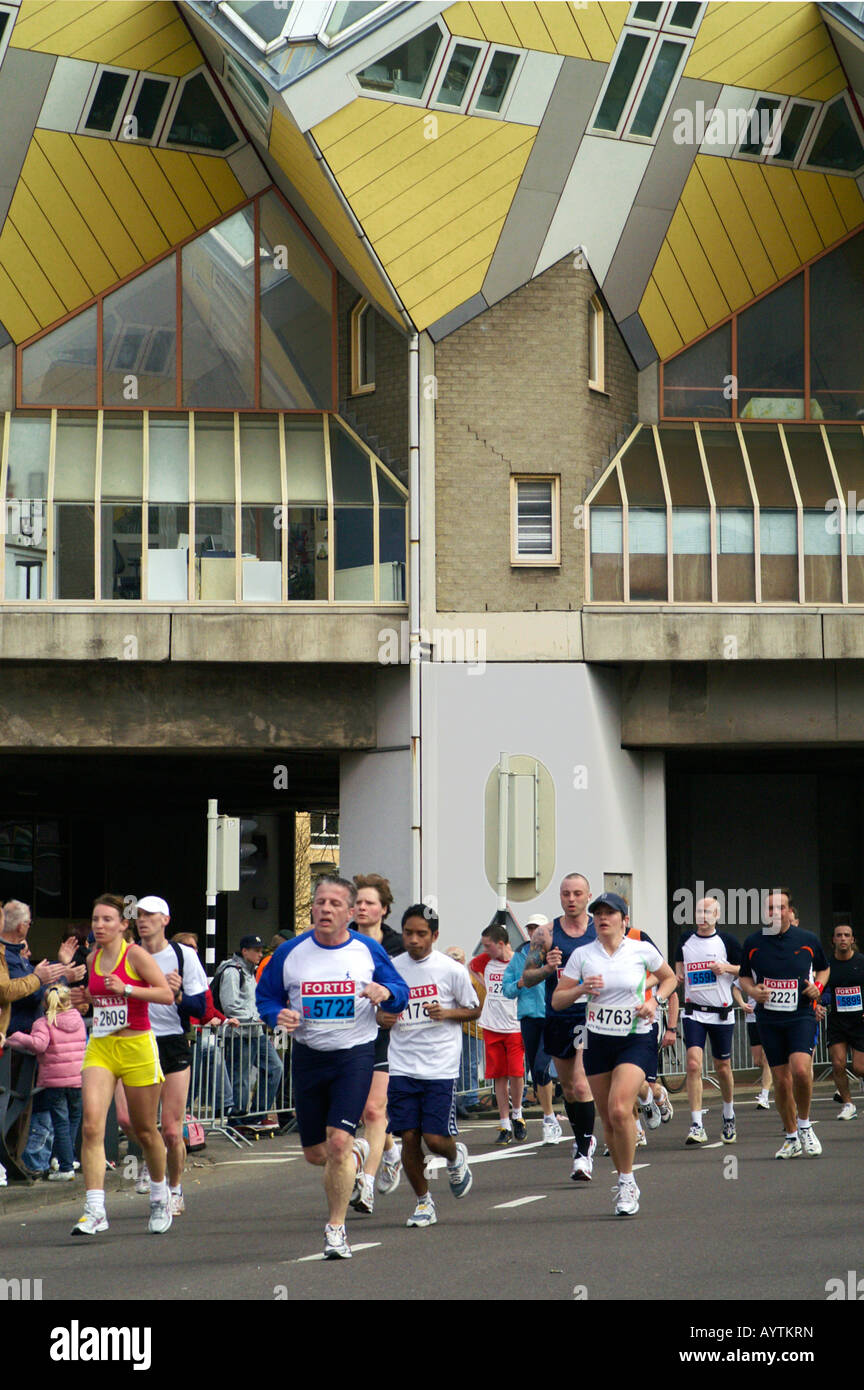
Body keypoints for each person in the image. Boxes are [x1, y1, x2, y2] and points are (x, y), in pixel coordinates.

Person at [256, 875, 409, 1259]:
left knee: (337, 1143)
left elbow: (400, 991)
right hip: (308, 1057)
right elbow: (266, 997)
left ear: (350, 912)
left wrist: (384, 993)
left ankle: (336, 1229)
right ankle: (359, 1150)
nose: (325, 909)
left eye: (335, 904)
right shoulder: (290, 953)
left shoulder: (367, 950)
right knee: (315, 1153)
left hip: (354, 1055)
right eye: (320, 902)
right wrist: (278, 1015)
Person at [553, 891, 678, 1216]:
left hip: (635, 1037)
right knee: (608, 1117)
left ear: (624, 920)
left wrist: (654, 1001)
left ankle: (626, 1181)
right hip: (598, 1040)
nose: (603, 918)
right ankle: (625, 1175)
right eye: (598, 914)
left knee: (620, 1109)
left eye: (610, 913)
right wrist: (581, 989)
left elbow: (670, 979)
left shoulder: (641, 950)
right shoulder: (583, 955)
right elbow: (557, 1000)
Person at [69, 893, 175, 1235]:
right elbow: (101, 1003)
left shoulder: (136, 955)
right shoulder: (92, 956)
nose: (99, 926)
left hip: (137, 1046)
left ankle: (160, 1197)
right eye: (96, 920)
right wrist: (85, 1000)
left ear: (122, 925)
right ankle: (95, 1209)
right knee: (91, 1126)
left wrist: (128, 988)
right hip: (101, 1045)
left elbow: (165, 994)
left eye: (107, 920)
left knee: (145, 1130)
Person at [377, 906, 479, 1227]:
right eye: (408, 933)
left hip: (440, 1066)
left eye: (422, 934)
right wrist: (385, 1018)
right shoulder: (391, 969)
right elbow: (377, 1015)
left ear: (435, 936)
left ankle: (454, 1155)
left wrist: (446, 1013)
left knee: (434, 1140)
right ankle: (423, 1202)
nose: (414, 940)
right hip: (402, 1065)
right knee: (408, 1136)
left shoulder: (451, 970)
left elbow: (473, 1010)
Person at [738, 887, 829, 1158]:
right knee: (780, 1079)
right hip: (769, 1017)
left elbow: (824, 969)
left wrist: (818, 986)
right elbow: (744, 977)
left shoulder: (808, 939)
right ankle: (790, 1137)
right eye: (769, 909)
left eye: (780, 908)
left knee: (801, 1070)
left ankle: (804, 1126)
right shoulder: (754, 942)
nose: (775, 913)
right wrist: (753, 991)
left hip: (800, 1014)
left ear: (790, 911)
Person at [132, 897, 208, 1215]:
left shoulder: (182, 955)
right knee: (132, 1122)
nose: (143, 920)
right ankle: (152, 1163)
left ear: (165, 919)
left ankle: (175, 1189)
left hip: (173, 1042)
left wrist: (177, 995)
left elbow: (200, 1009)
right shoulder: (128, 953)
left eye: (150, 915)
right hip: (137, 1041)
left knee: (172, 1129)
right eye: (139, 915)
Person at [519, 873, 597, 1179]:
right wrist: (547, 968)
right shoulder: (546, 934)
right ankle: (582, 1141)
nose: (572, 899)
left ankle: (583, 1151)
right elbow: (527, 977)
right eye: (566, 894)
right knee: (569, 1089)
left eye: (578, 893)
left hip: (589, 1017)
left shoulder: (599, 930)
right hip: (557, 1015)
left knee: (580, 1083)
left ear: (588, 896)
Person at [348, 873, 404, 1213]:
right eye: (358, 903)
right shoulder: (344, 941)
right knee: (365, 1112)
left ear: (383, 909)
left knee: (373, 1110)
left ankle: (365, 1185)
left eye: (369, 903)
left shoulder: (398, 945)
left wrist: (391, 1008)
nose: (362, 908)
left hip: (392, 1034)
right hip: (354, 1032)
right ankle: (390, 1150)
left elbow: (409, 984)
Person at [675, 896, 742, 1145]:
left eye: (707, 912)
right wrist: (679, 971)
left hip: (721, 1013)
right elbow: (679, 961)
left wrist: (726, 968)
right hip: (693, 1011)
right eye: (698, 911)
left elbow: (746, 967)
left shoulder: (727, 941)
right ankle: (696, 1124)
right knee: (693, 1064)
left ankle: (728, 1114)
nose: (702, 916)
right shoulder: (685, 939)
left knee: (722, 1067)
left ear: (717, 916)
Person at [5, 983, 86, 1180]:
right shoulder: (79, 1020)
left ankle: (65, 1166)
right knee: (73, 1120)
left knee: (60, 1122)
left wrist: (14, 1037)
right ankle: (65, 1158)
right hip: (77, 1079)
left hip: (54, 1081)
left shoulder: (43, 1022)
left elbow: (38, 1045)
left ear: (44, 1002)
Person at [502, 917, 562, 1144]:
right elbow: (507, 989)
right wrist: (521, 982)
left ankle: (553, 1117)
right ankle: (550, 1118)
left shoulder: (558, 951)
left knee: (541, 1067)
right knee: (536, 1073)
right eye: (530, 928)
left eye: (538, 928)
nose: (534, 932)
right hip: (529, 1017)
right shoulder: (520, 955)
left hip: (553, 1015)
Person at [216, 935, 284, 1128]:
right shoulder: (232, 971)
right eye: (256, 950)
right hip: (240, 1032)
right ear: (245, 951)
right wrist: (256, 1019)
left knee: (275, 1068)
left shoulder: (250, 972)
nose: (260, 954)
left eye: (261, 950)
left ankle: (257, 1113)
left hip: (255, 1031)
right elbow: (230, 1005)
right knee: (241, 1076)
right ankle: (237, 1117)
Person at [470, 924, 525, 1145]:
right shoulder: (485, 961)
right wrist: (486, 986)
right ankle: (504, 1123)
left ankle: (518, 1114)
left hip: (514, 1026)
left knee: (516, 1073)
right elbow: (471, 966)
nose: (485, 949)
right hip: (491, 1026)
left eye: (488, 945)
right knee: (498, 1076)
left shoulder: (518, 962)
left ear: (501, 944)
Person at [824, 923, 864, 1120]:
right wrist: (817, 1004)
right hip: (838, 1022)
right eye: (838, 935)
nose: (842, 938)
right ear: (833, 940)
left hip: (860, 1022)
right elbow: (821, 988)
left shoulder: (861, 962)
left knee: (859, 1067)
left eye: (846, 935)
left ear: (852, 940)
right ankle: (848, 1104)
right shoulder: (828, 965)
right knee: (838, 1064)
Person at [445, 945, 481, 1113]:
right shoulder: (446, 977)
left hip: (472, 1027)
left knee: (470, 1063)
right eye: (452, 959)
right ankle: (461, 1097)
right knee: (456, 1063)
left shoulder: (470, 978)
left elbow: (476, 1002)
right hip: (454, 1026)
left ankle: (470, 1097)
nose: (456, 963)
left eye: (458, 959)